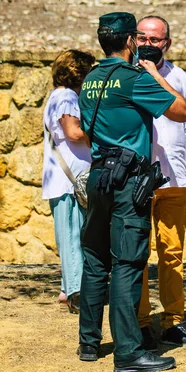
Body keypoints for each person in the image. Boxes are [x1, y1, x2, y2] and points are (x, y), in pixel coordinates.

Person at [77, 12, 186, 372]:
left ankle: (88, 344)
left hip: (98, 176)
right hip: (128, 181)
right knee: (127, 264)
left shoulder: (91, 79)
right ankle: (128, 352)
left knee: (96, 260)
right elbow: (181, 111)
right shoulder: (132, 79)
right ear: (130, 41)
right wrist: (155, 75)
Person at [135, 15, 186, 350]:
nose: (148, 44)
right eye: (142, 38)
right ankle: (140, 323)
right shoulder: (127, 75)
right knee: (136, 256)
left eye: (155, 39)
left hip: (175, 176)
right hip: (137, 178)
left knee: (173, 254)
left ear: (168, 43)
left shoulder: (179, 77)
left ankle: (173, 322)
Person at [42, 49, 95, 314]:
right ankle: (77, 293)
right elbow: (74, 132)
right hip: (70, 182)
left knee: (71, 236)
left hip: (66, 181)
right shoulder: (67, 96)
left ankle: (68, 289)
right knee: (75, 237)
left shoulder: (58, 95)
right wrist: (101, 130)